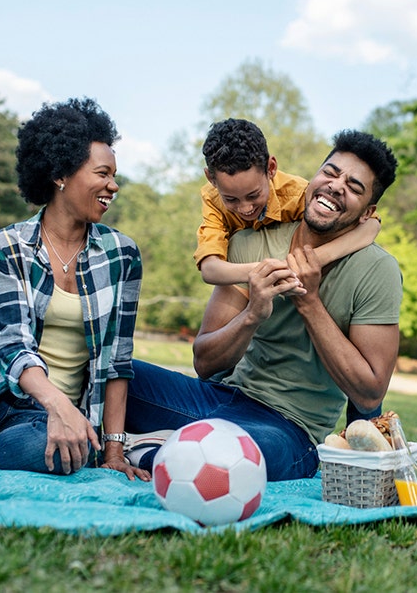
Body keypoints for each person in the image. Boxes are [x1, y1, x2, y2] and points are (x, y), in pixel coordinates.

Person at [123, 129, 402, 481]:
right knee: (114, 374)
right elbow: (205, 364)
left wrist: (310, 301)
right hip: (219, 399)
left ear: (368, 213)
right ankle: (167, 445)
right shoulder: (250, 244)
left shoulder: (378, 270)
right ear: (312, 179)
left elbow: (369, 392)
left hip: (287, 430)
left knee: (238, 456)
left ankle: (150, 451)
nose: (336, 185)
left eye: (354, 187)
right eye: (330, 173)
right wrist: (253, 314)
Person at [0, 98, 148, 481]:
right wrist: (58, 403)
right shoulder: (7, 245)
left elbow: (118, 360)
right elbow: (11, 343)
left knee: (61, 450)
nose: (113, 186)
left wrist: (113, 451)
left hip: (40, 419)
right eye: (102, 173)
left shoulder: (122, 255)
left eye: (114, 175)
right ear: (61, 175)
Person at [193, 118, 384, 423]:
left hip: (299, 400)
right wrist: (271, 269)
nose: (243, 208)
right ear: (211, 179)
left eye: (254, 195)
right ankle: (207, 412)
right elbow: (210, 268)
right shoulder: (214, 201)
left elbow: (365, 227)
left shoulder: (301, 193)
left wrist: (311, 261)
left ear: (271, 169)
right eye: (232, 198)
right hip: (249, 277)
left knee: (363, 370)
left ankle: (365, 438)